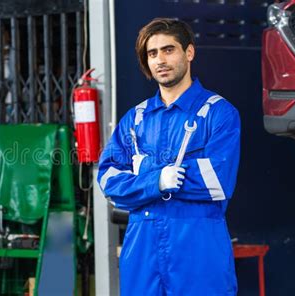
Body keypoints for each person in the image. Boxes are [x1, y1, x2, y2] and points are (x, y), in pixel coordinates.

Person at [97, 18, 240, 295]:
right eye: (152, 53)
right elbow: (109, 181)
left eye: (168, 50)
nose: (160, 60)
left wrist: (144, 169)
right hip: (141, 249)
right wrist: (158, 180)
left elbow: (216, 181)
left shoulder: (218, 113)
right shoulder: (135, 119)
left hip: (197, 248)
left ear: (189, 52)